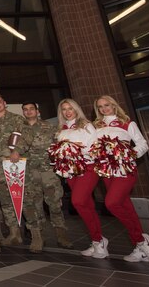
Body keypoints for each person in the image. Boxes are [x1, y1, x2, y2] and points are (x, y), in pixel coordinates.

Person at [93, 95, 149, 263]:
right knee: (126, 206)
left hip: (125, 169)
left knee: (111, 203)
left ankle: (141, 240)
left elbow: (143, 144)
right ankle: (140, 248)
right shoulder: (96, 126)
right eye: (100, 107)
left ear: (114, 105)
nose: (104, 109)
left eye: (107, 105)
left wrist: (127, 155)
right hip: (107, 172)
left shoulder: (127, 123)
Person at [18, 102, 72, 252]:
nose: (28, 112)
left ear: (37, 111)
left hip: (48, 171)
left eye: (31, 109)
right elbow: (14, 147)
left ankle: (61, 235)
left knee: (54, 203)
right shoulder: (19, 129)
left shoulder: (49, 127)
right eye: (25, 110)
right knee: (33, 205)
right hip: (29, 172)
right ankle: (37, 237)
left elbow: (58, 146)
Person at [55, 99, 102, 257]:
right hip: (71, 172)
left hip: (87, 168)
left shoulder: (86, 125)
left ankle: (99, 241)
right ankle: (98, 241)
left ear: (76, 109)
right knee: (86, 205)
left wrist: (74, 152)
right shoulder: (61, 130)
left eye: (70, 108)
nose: (67, 112)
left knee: (78, 201)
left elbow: (93, 147)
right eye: (64, 109)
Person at [0, 94, 26, 246]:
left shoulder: (16, 119)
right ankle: (14, 233)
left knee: (21, 198)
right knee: (5, 200)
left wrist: (17, 151)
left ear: (5, 103)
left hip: (16, 164)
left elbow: (26, 137)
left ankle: (29, 232)